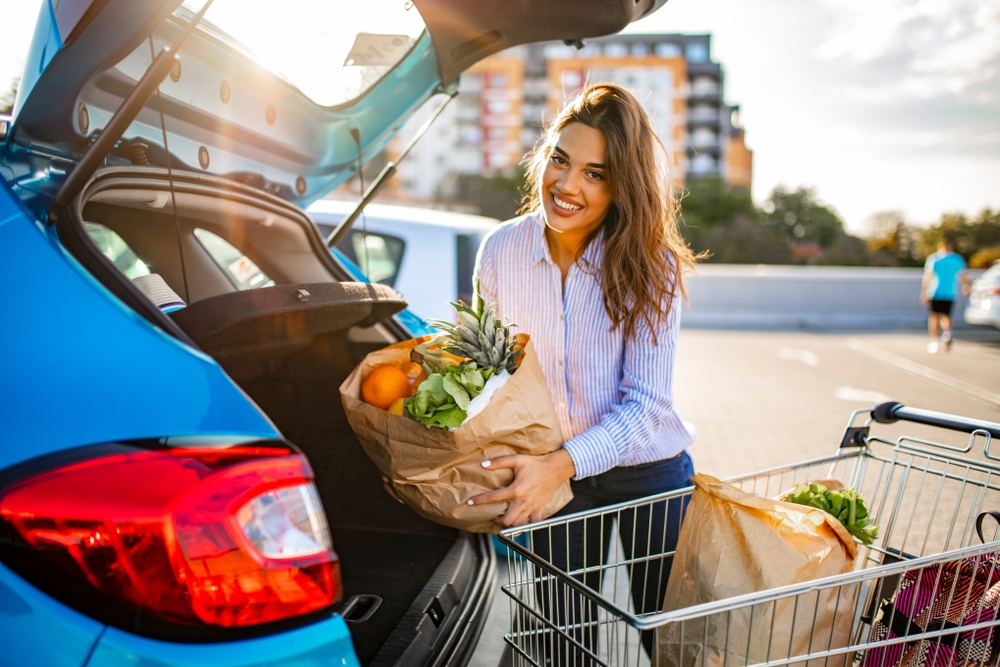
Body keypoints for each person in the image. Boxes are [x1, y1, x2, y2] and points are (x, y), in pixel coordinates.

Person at [467, 82, 697, 660]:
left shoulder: (653, 266)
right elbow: (490, 374)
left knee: (673, 643)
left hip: (648, 476)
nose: (567, 186)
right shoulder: (500, 251)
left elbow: (646, 407)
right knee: (557, 647)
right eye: (561, 160)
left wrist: (561, 465)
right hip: (551, 477)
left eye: (595, 173)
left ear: (622, 187)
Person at [921, 238, 969, 353]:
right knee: (946, 315)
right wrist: (966, 286)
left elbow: (927, 277)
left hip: (935, 292)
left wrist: (924, 292)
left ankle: (935, 341)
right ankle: (947, 333)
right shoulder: (956, 259)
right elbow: (963, 276)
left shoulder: (934, 259)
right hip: (950, 293)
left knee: (934, 317)